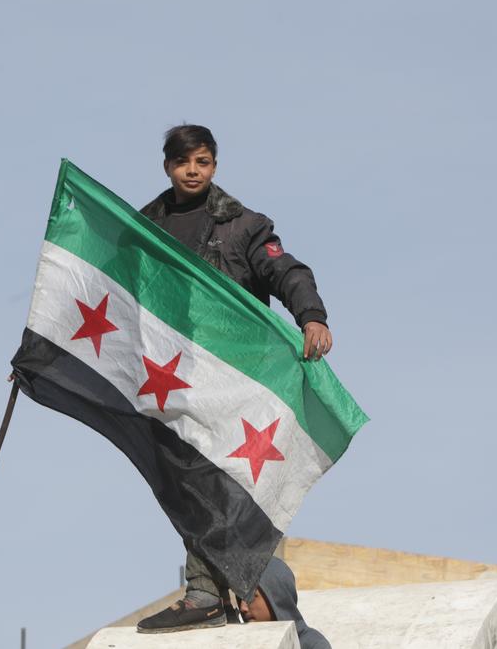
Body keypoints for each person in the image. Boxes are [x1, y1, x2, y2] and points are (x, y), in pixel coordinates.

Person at [135, 125, 333, 634]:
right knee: (184, 482)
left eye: (202, 161)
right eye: (184, 163)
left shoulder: (243, 226)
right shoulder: (142, 228)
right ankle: (222, 587)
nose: (193, 171)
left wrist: (310, 315)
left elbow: (286, 271)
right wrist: (45, 352)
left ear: (215, 165)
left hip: (231, 376)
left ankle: (217, 591)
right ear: (168, 168)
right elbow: (99, 287)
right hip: (172, 378)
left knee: (225, 481)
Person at [238, 557, 332, 649]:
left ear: (275, 596)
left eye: (251, 597)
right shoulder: (242, 642)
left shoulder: (313, 645)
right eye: (239, 598)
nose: (243, 608)